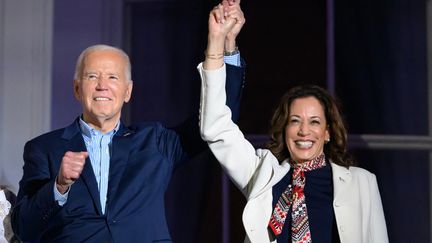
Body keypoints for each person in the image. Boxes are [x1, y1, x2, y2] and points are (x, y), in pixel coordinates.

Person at [11, 1, 245, 242]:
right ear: (77, 89)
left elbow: (218, 119)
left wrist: (223, 45)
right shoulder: (44, 149)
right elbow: (23, 228)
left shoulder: (155, 142)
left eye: (112, 77)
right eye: (92, 76)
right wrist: (58, 187)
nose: (102, 85)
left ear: (127, 91)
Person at [197, 9, 389, 242]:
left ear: (328, 132)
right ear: (284, 129)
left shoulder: (362, 183)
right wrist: (217, 41)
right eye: (295, 121)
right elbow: (215, 127)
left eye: (315, 122)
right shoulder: (264, 174)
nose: (304, 131)